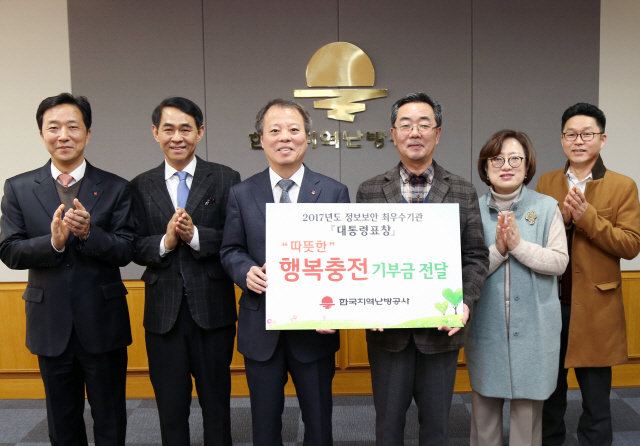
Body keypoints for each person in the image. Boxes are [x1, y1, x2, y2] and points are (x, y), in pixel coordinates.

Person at [356, 92, 489, 445]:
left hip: (440, 332)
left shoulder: (462, 190)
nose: (415, 132)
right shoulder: (369, 191)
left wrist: (466, 304)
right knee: (388, 427)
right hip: (389, 334)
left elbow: (476, 255)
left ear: (438, 133)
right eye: (406, 124)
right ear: (393, 133)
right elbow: (360, 258)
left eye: (424, 124)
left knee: (436, 428)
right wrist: (363, 304)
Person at [0, 93, 134, 445]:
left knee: (110, 417)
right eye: (53, 127)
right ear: (42, 134)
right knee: (62, 421)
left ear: (88, 134)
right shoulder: (18, 187)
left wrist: (89, 233)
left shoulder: (116, 186)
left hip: (103, 321)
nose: (64, 135)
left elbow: (126, 249)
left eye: (73, 127)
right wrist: (54, 242)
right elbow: (9, 251)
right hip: (50, 322)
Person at [220, 99, 349, 446]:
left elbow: (346, 256)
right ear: (261, 139)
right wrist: (245, 271)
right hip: (261, 329)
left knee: (319, 425)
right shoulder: (241, 193)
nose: (284, 137)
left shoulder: (334, 192)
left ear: (307, 137)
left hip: (314, 330)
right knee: (264, 426)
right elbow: (230, 250)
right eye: (274, 130)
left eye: (294, 129)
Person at [130, 97, 240, 446]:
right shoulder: (140, 185)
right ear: (155, 133)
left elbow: (236, 239)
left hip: (213, 313)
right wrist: (165, 241)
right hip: (163, 317)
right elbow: (132, 245)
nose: (177, 137)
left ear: (200, 132)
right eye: (168, 129)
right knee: (170, 409)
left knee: (217, 407)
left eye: (186, 129)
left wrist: (195, 236)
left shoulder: (225, 177)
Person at [537, 103, 640, 446]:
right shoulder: (547, 181)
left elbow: (630, 245)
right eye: (571, 134)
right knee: (548, 397)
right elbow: (536, 239)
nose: (578, 140)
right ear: (562, 139)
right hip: (550, 304)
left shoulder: (623, 185)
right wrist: (563, 221)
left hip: (596, 308)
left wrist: (587, 218)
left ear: (602, 139)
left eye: (587, 134)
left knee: (596, 403)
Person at [465, 130, 569, 445]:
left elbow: (559, 262)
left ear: (527, 166)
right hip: (487, 326)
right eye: (496, 159)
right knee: (484, 416)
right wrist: (498, 250)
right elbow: (465, 271)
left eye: (515, 159)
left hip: (536, 329)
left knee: (528, 420)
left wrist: (518, 246)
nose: (506, 165)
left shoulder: (547, 206)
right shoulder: (472, 208)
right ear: (485, 167)